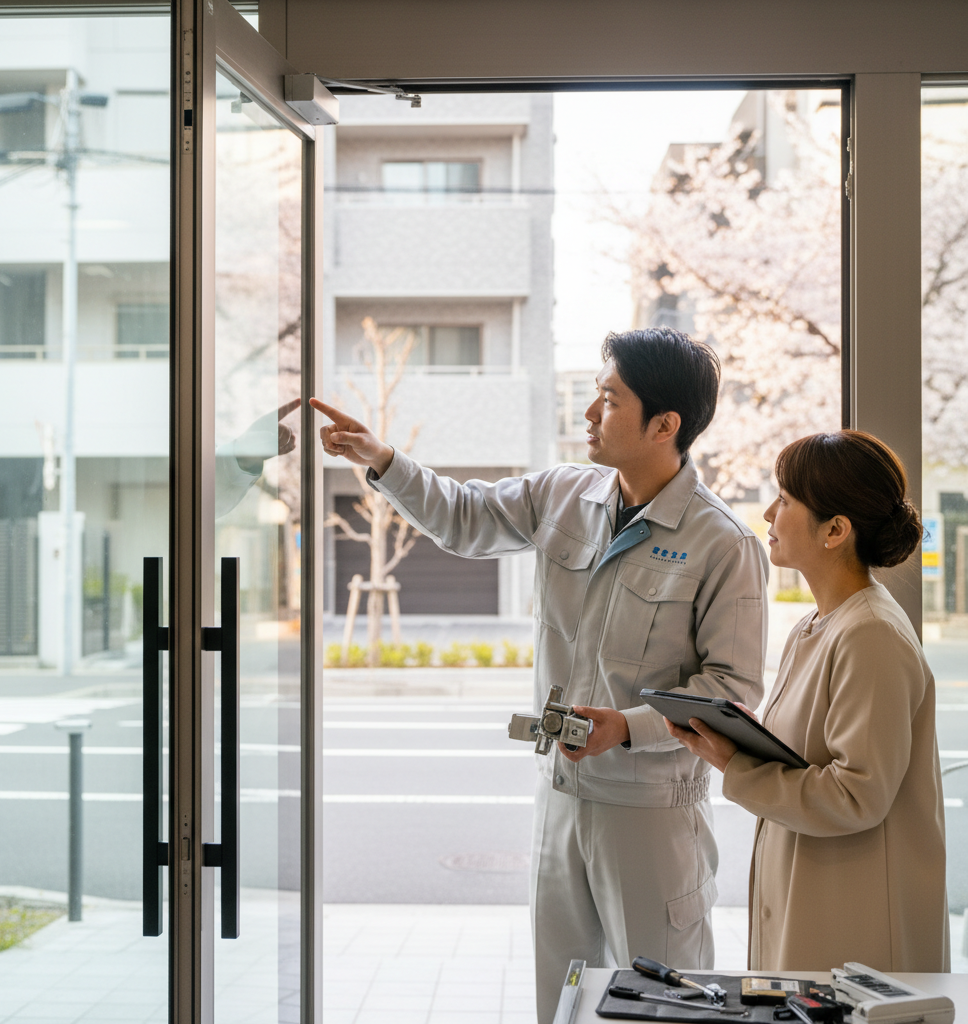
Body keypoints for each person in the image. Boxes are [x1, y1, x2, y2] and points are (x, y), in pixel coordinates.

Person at [312, 326, 769, 1021]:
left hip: (649, 817)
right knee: (561, 999)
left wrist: (628, 728)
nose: (589, 413)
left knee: (668, 1006)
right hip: (560, 797)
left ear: (664, 425)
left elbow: (732, 689)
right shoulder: (562, 494)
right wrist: (381, 458)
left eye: (610, 400)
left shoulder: (722, 543)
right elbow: (464, 519)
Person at [666, 430, 949, 973]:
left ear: (836, 531)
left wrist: (737, 764)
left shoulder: (870, 634)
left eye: (786, 500)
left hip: (857, 930)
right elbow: (811, 758)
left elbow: (856, 795)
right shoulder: (820, 624)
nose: (770, 511)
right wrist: (746, 738)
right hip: (821, 901)